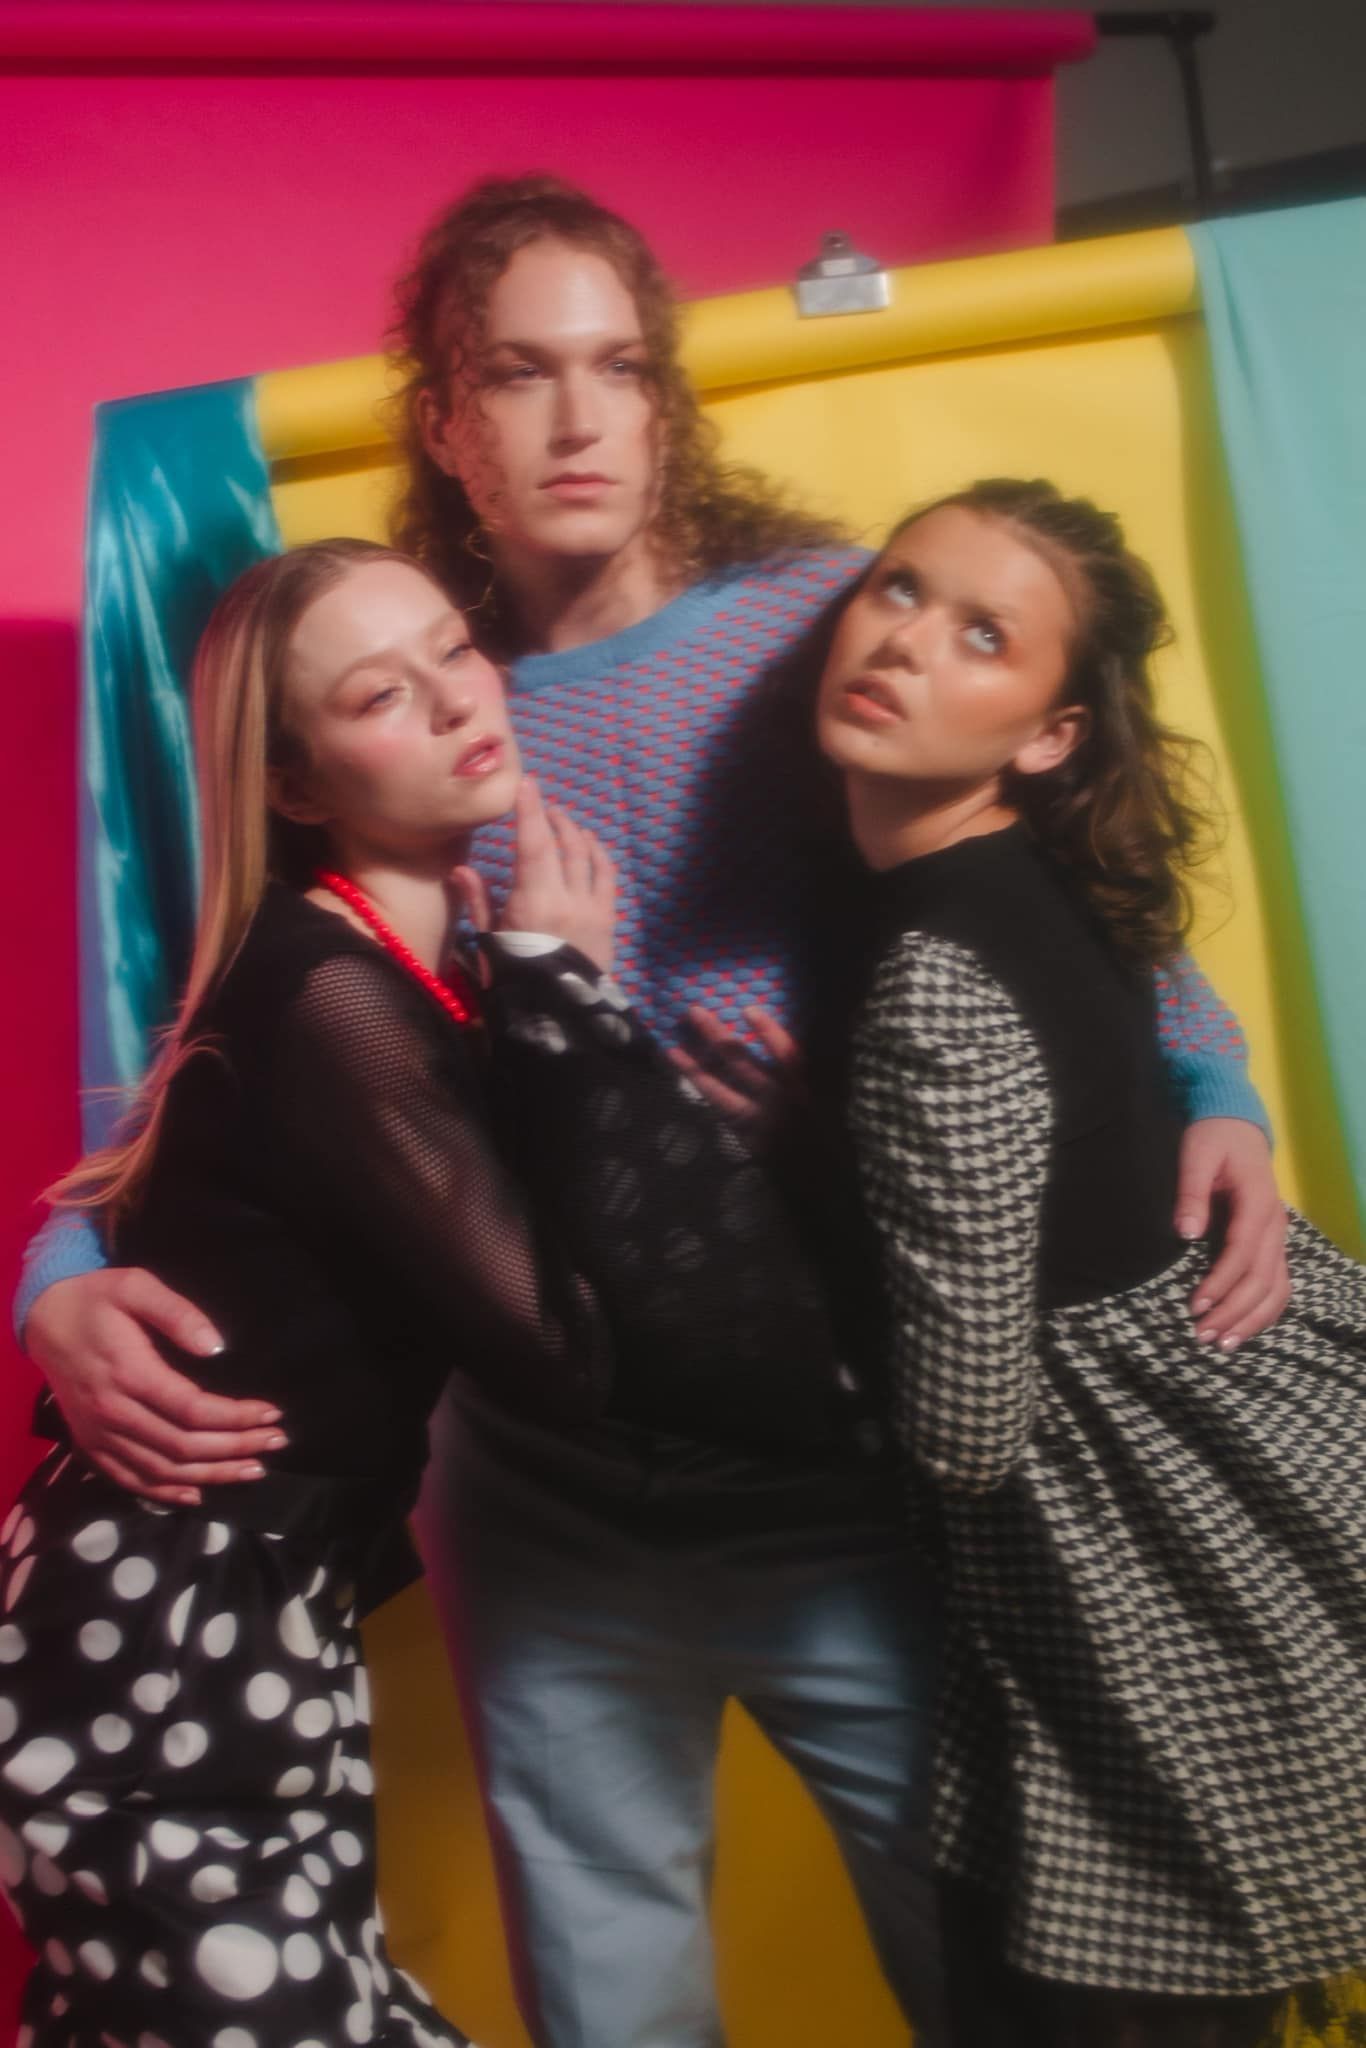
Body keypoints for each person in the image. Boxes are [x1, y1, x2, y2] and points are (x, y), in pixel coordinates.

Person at [16, 178, 1293, 2048]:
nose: (579, 421)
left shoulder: (807, 625)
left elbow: (1026, 875)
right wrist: (58, 1267)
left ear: (667, 398)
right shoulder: (396, 682)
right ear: (442, 421)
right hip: (548, 1494)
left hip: (845, 1470)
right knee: (611, 1994)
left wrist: (1210, 1076)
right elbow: (224, 1028)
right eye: (518, 374)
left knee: (1007, 1977)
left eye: (619, 368)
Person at [0, 535, 666, 2046]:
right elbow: (562, 1349)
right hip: (166, 1616)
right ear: (295, 785)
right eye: (380, 692)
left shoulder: (420, 977)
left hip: (246, 1607)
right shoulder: (329, 995)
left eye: (453, 650)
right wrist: (576, 995)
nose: (448, 701)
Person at [816, 477, 1366, 2048]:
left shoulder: (930, 985)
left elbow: (969, 1428)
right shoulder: (1040, 874)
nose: (905, 642)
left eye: (982, 637)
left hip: (1149, 1547)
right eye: (897, 587)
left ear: (1047, 732)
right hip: (1248, 1448)